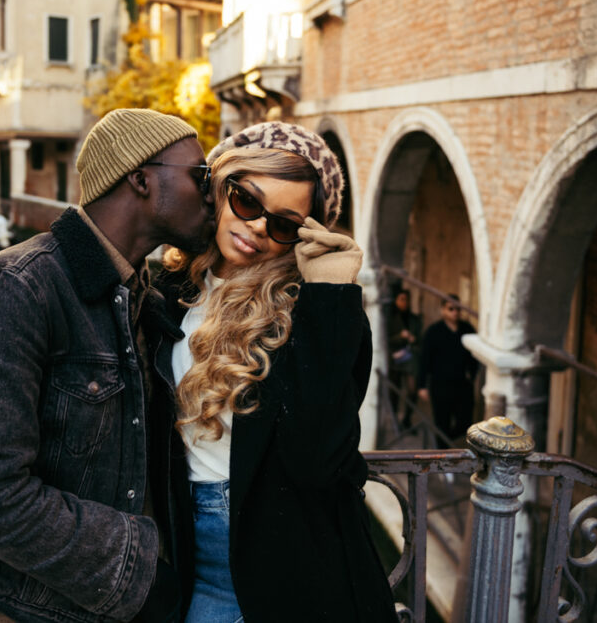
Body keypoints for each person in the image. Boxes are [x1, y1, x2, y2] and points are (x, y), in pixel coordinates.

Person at [0, 108, 216, 623]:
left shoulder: (140, 295)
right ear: (141, 180)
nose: (212, 192)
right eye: (201, 176)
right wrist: (138, 572)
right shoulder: (12, 291)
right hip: (35, 610)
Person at [149, 122, 397, 622]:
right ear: (219, 189)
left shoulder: (315, 316)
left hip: (288, 560)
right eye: (247, 201)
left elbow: (319, 461)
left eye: (284, 224)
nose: (260, 226)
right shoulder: (165, 290)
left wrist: (328, 295)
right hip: (179, 553)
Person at [417, 295, 478, 448]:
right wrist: (421, 385)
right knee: (442, 422)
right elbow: (424, 359)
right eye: (451, 309)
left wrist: (472, 375)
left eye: (458, 309)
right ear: (443, 310)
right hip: (440, 385)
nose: (455, 313)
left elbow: (475, 356)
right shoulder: (433, 332)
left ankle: (446, 442)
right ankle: (443, 461)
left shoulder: (467, 330)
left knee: (465, 422)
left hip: (462, 384)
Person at [387, 288, 422, 429]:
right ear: (396, 301)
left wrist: (413, 339)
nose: (404, 303)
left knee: (412, 391)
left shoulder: (414, 318)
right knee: (394, 391)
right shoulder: (390, 318)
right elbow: (384, 339)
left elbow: (420, 338)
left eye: (406, 299)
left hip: (410, 358)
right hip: (394, 358)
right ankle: (395, 421)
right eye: (401, 299)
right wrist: (400, 336)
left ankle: (407, 419)